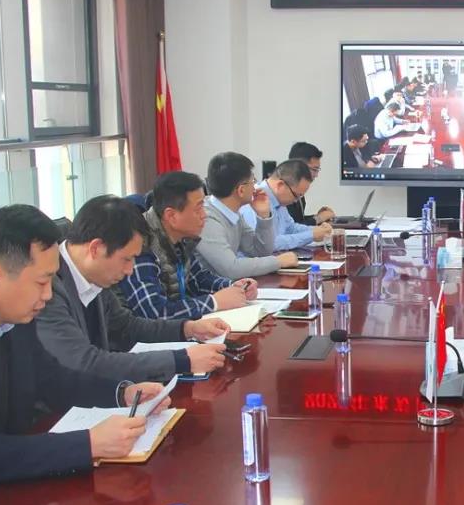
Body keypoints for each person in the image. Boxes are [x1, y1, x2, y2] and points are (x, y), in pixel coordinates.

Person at [0, 205, 169, 498]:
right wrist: (88, 444)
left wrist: (122, 393)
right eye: (41, 282)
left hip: (10, 479)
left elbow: (50, 377)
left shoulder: (14, 308)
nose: (48, 295)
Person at [35, 195, 230, 382]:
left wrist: (188, 328)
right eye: (126, 259)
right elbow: (84, 362)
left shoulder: (93, 275)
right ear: (96, 249)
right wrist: (181, 360)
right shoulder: (46, 289)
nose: (129, 270)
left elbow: (126, 327)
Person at [117, 171, 258, 320]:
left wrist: (235, 286)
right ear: (171, 216)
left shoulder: (181, 237)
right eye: (198, 209)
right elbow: (155, 312)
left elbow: (198, 280)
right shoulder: (140, 245)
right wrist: (214, 302)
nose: (204, 215)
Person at [197, 152, 298, 279]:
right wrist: (278, 261)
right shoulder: (207, 218)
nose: (255, 187)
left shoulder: (233, 213)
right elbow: (232, 268)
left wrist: (264, 216)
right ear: (241, 190)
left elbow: (260, 251)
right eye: (253, 181)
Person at [239, 159, 331, 253]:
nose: (296, 201)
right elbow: (267, 244)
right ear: (280, 185)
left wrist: (317, 230)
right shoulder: (254, 199)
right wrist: (311, 235)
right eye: (296, 195)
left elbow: (290, 228)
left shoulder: (279, 201)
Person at [285, 142, 335, 226]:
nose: (316, 175)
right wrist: (318, 218)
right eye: (314, 169)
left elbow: (297, 220)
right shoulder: (284, 191)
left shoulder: (298, 189)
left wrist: (318, 217)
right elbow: (290, 229)